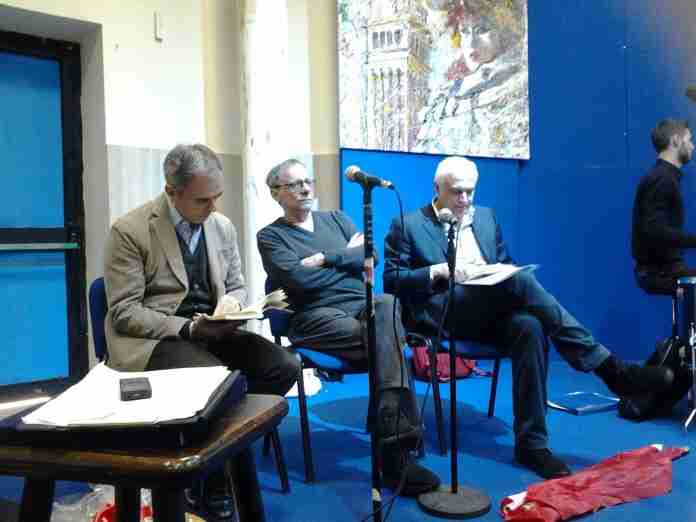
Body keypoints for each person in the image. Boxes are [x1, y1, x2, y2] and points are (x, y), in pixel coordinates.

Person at [383, 156, 674, 480]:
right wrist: (437, 271)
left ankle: (531, 445)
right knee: (522, 284)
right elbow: (392, 280)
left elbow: (505, 263)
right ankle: (611, 369)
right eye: (456, 192)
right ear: (437, 188)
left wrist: (503, 272)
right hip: (443, 314)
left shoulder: (486, 218)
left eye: (470, 192)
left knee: (530, 326)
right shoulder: (408, 224)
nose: (464, 199)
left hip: (486, 309)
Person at [104, 144, 299, 519]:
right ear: (171, 191)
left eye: (217, 197)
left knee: (283, 366)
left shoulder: (221, 226)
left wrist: (234, 307)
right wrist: (189, 327)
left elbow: (237, 285)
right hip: (157, 338)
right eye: (202, 200)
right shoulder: (129, 231)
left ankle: (218, 454)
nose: (212, 207)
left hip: (213, 330)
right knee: (214, 381)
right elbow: (124, 312)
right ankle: (210, 479)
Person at [256, 159, 439, 496]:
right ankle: (396, 452)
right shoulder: (270, 236)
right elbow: (299, 280)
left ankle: (391, 444)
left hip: (363, 307)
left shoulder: (337, 218)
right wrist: (348, 256)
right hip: (315, 316)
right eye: (294, 184)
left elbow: (372, 257)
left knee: (387, 304)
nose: (305, 189)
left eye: (308, 181)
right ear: (275, 193)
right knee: (389, 342)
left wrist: (326, 259)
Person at [415, 0, 529, 158]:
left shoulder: (517, 86)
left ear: (503, 32)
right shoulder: (447, 92)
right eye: (464, 31)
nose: (471, 43)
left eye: (482, 30)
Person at [632, 119, 696, 294]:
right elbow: (654, 231)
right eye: (689, 140)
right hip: (660, 273)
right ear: (675, 140)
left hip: (666, 270)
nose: (692, 146)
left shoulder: (664, 177)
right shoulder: (662, 178)